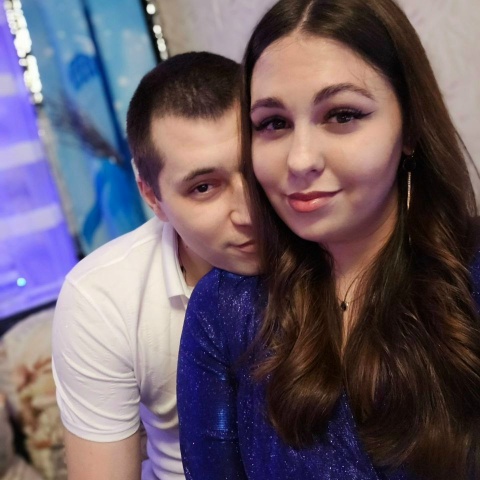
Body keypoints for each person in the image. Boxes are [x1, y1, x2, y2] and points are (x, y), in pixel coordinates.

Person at [177, 1, 480, 479]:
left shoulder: (469, 275)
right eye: (273, 123)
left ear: (410, 127)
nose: (300, 160)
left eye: (341, 115)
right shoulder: (227, 309)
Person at [52, 51, 258, 480]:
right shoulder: (103, 298)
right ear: (153, 198)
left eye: (254, 171)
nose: (249, 213)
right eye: (204, 187)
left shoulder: (329, 237)